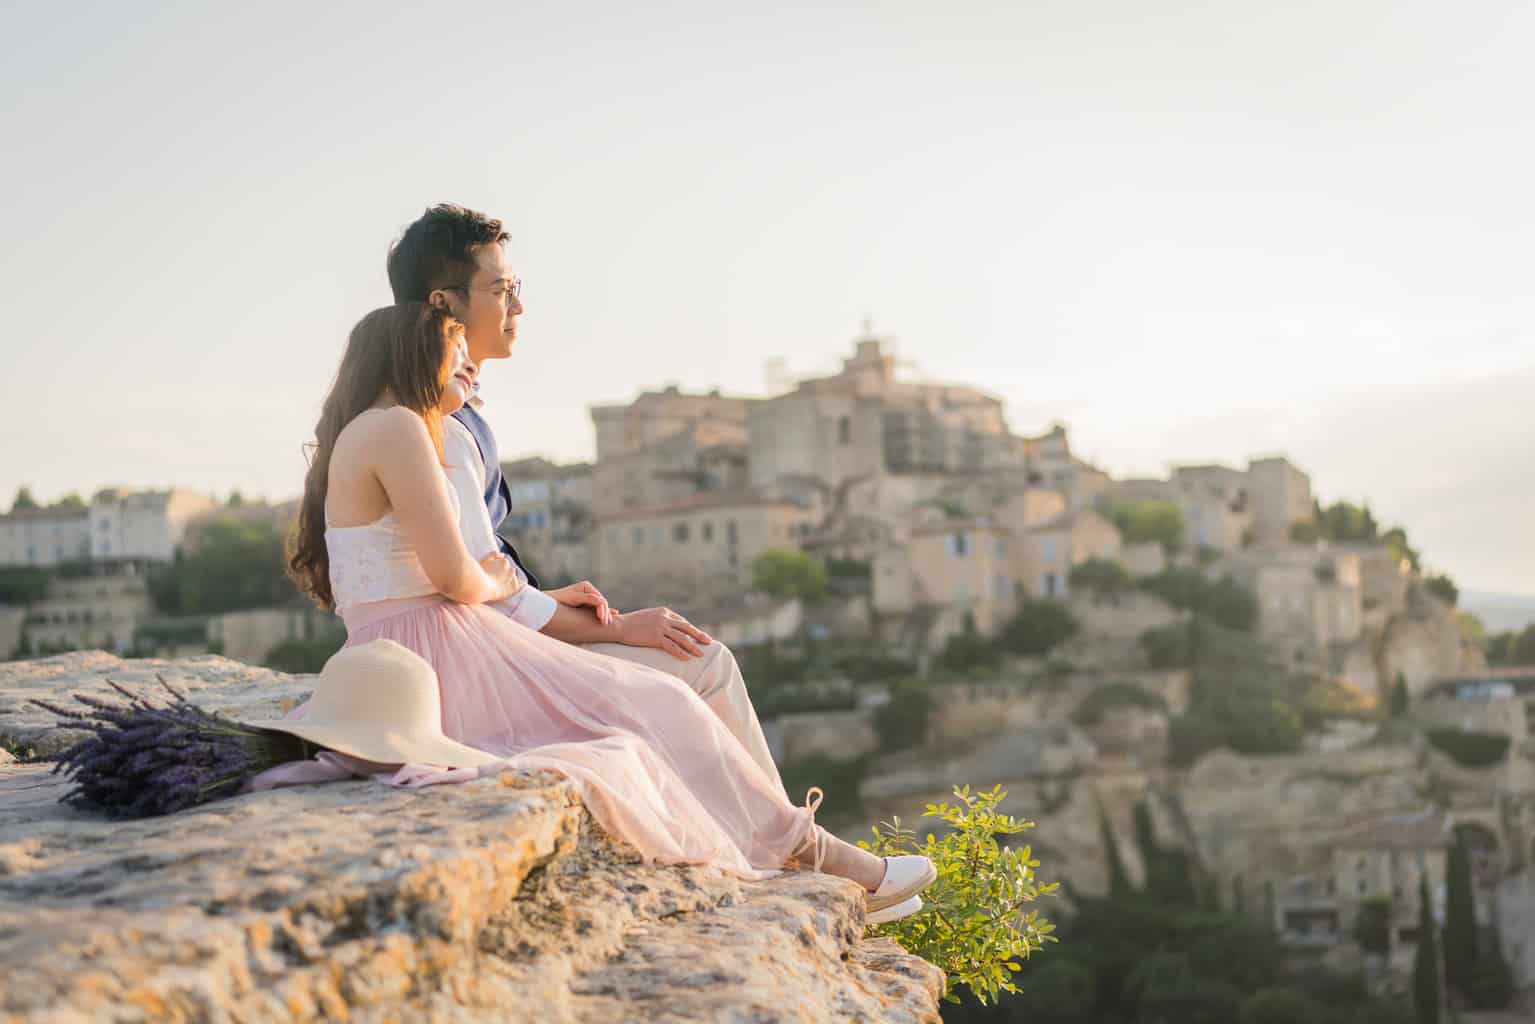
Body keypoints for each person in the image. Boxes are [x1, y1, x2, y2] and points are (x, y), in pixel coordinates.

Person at [286, 303, 935, 912]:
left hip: (425, 643)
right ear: (412, 352)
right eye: (455, 352)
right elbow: (457, 575)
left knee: (657, 703)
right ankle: (809, 852)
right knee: (659, 704)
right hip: (439, 648)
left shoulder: (371, 429)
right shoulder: (398, 427)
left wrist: (497, 585)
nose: (468, 368)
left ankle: (805, 849)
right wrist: (490, 582)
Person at [386, 204, 782, 795]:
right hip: (479, 673)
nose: (518, 307)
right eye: (501, 290)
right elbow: (475, 591)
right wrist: (620, 627)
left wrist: (548, 602)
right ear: (444, 304)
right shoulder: (439, 429)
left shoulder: (429, 414)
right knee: (704, 665)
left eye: (517, 288)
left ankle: (790, 847)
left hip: (470, 654)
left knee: (697, 666)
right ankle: (798, 853)